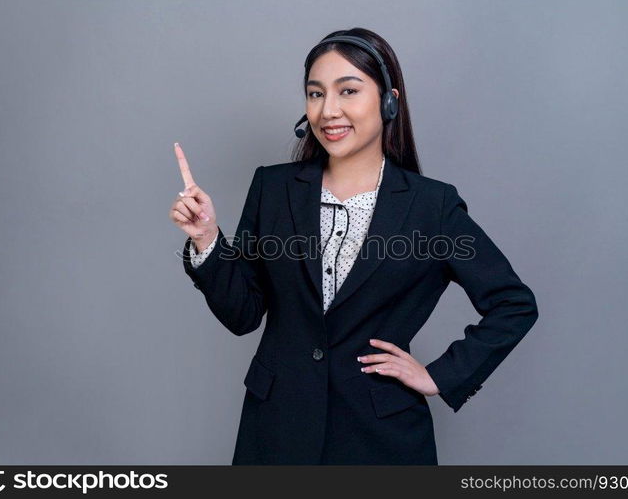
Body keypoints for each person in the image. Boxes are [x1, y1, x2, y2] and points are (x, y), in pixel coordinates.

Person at [168, 27, 539, 465]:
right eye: (315, 94)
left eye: (348, 91)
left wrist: (440, 375)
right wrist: (208, 238)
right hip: (276, 430)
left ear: (389, 101)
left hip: (382, 438)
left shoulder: (430, 206)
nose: (329, 111)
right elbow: (243, 314)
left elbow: (513, 303)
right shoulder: (273, 188)